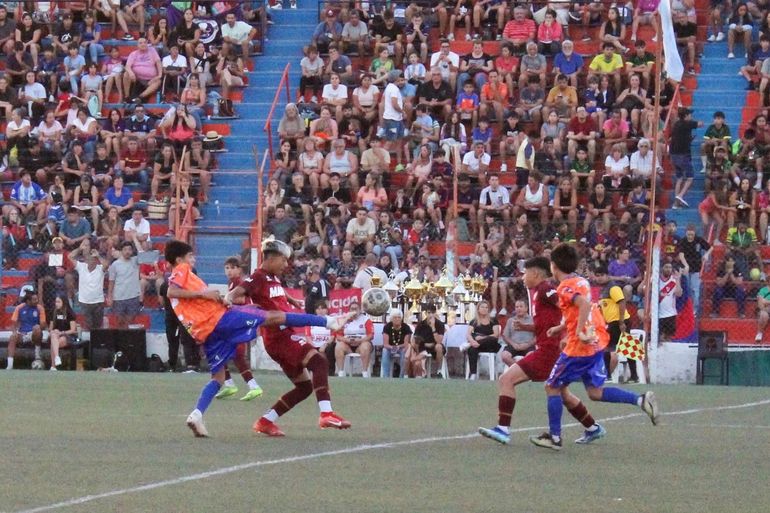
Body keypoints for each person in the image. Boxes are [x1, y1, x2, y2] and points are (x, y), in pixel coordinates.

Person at [165, 239, 350, 437]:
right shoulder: (183, 269)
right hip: (230, 323)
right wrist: (217, 297)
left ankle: (198, 415)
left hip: (209, 331)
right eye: (190, 256)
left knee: (219, 378)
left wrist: (289, 299)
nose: (193, 259)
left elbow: (270, 291)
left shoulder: (272, 278)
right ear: (180, 259)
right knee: (279, 320)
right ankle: (329, 322)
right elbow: (172, 291)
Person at [529, 243, 658, 451]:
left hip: (579, 347)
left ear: (554, 266)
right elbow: (582, 309)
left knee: (551, 386)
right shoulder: (581, 281)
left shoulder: (563, 287)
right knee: (595, 392)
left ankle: (554, 437)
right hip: (595, 343)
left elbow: (584, 305)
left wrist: (579, 331)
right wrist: (561, 327)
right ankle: (640, 400)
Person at [226, 238, 353, 437]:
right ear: (272, 258)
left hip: (282, 337)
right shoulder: (258, 277)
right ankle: (326, 414)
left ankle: (265, 421)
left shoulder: (272, 278)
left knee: (304, 387)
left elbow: (277, 293)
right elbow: (236, 292)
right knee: (319, 361)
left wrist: (292, 300)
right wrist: (228, 301)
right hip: (279, 337)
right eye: (283, 260)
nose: (286, 264)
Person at [480, 257, 605, 445]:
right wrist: (527, 327)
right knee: (562, 393)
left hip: (548, 352)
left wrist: (570, 332)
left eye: (525, 273)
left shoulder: (546, 289)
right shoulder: (539, 292)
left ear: (536, 274)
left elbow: (568, 307)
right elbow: (549, 323)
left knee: (506, 379)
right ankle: (592, 427)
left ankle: (503, 429)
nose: (523, 277)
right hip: (551, 349)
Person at [216, 257, 263, 401]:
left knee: (236, 354)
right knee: (222, 352)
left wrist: (223, 300)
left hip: (241, 322)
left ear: (239, 270)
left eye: (232, 268)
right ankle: (230, 384)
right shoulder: (232, 283)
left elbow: (242, 300)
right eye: (227, 268)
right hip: (236, 322)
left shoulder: (238, 283)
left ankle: (252, 386)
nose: (229, 271)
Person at [598, 278, 638, 383]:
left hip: (619, 321)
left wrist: (621, 322)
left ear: (602, 275)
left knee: (614, 347)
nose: (593, 278)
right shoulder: (604, 289)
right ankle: (634, 377)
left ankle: (608, 376)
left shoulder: (613, 287)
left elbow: (622, 302)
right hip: (612, 322)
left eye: (595, 276)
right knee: (626, 347)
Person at [68, 240, 108, 331]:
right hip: (85, 302)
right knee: (88, 326)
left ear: (95, 260)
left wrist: (98, 256)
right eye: (88, 258)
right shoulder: (81, 267)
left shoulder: (100, 268)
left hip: (98, 302)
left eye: (92, 258)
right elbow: (70, 256)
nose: (90, 260)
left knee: (98, 327)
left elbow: (106, 265)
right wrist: (80, 248)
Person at [333, 299, 374, 377]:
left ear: (360, 310)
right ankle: (341, 372)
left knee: (365, 346)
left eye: (356, 309)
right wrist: (346, 340)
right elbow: (338, 336)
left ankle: (364, 372)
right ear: (349, 310)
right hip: (348, 344)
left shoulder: (366, 320)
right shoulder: (344, 320)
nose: (354, 311)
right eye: (352, 309)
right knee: (338, 346)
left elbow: (370, 335)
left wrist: (360, 341)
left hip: (361, 343)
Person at [6, 290, 46, 370]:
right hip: (23, 334)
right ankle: (10, 365)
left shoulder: (40, 308)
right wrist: (14, 332)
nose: (37, 301)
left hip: (34, 334)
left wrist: (39, 326)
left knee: (37, 329)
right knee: (12, 337)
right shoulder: (19, 308)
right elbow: (14, 323)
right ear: (28, 301)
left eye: (37, 299)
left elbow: (43, 325)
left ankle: (37, 356)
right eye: (34, 299)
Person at [107, 240, 142, 329]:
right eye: (125, 249)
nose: (127, 252)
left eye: (129, 249)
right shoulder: (115, 265)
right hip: (119, 297)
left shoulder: (135, 261)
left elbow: (143, 254)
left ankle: (128, 337)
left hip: (133, 296)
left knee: (130, 322)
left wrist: (134, 238)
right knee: (120, 321)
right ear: (121, 251)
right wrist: (110, 296)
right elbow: (111, 281)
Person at [462, 300, 500, 380]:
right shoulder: (474, 321)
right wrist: (472, 341)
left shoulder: (493, 320)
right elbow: (468, 334)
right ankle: (473, 374)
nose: (484, 309)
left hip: (490, 345)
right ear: (478, 309)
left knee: (492, 339)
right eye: (482, 307)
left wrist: (482, 338)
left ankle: (469, 345)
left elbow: (496, 334)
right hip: (477, 345)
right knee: (472, 349)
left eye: (486, 307)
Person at [499, 299, 535, 368]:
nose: (518, 309)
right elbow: (505, 336)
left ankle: (520, 370)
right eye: (517, 307)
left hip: (528, 346)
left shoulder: (532, 320)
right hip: (514, 346)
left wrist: (528, 344)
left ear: (526, 308)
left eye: (521, 306)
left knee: (531, 356)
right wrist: (513, 344)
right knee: (504, 356)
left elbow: (537, 336)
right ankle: (520, 369)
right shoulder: (510, 320)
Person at [48, 295, 77, 371]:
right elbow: (50, 328)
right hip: (55, 335)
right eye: (56, 302)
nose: (56, 304)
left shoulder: (69, 313)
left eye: (58, 302)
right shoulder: (53, 312)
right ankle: (57, 357)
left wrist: (61, 333)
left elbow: (73, 330)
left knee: (54, 343)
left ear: (64, 302)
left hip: (67, 335)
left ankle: (53, 366)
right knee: (54, 337)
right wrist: (54, 331)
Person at [381, 309, 411, 378]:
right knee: (384, 351)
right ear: (391, 319)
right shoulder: (387, 327)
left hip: (401, 347)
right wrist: (392, 347)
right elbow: (385, 344)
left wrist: (398, 347)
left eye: (399, 317)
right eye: (395, 317)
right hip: (389, 347)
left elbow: (406, 343)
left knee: (404, 351)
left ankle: (401, 376)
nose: (397, 319)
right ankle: (386, 376)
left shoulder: (406, 327)